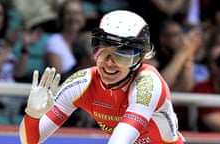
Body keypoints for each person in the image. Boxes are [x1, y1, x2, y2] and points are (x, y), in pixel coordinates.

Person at [19, 10, 184, 144]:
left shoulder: (147, 82)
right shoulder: (82, 82)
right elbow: (30, 142)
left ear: (139, 59)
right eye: (103, 50)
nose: (109, 63)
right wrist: (32, 116)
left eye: (122, 55)